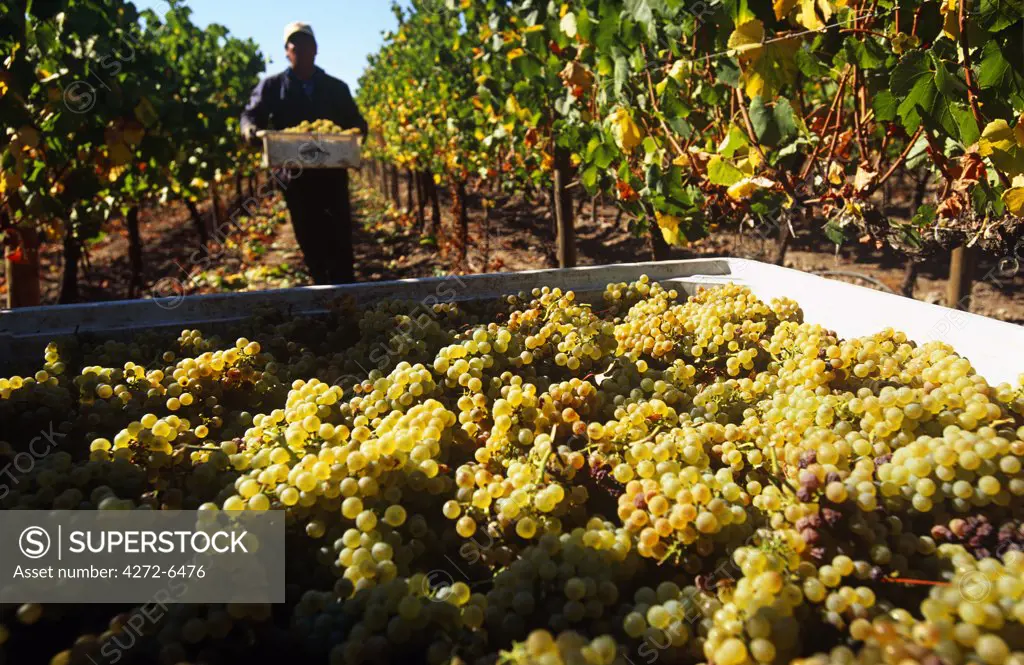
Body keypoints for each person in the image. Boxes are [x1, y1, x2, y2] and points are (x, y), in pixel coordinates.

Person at [241, 21, 368, 284]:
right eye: (294, 44)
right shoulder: (272, 87)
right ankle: (322, 289)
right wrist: (251, 131)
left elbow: (356, 122)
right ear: (286, 51)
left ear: (316, 49)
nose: (300, 48)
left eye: (306, 43)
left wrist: (357, 131)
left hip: (332, 174)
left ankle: (347, 293)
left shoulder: (336, 88)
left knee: (339, 236)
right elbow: (249, 116)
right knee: (309, 237)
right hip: (294, 177)